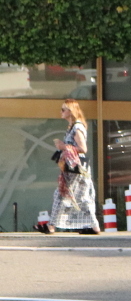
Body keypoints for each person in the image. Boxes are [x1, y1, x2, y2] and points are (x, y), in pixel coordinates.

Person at [41, 99, 99, 234]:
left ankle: (51, 226)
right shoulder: (73, 127)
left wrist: (63, 146)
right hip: (74, 167)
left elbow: (83, 148)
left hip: (76, 168)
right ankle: (94, 226)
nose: (61, 112)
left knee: (62, 193)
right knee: (81, 197)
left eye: (63, 109)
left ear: (71, 111)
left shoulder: (77, 127)